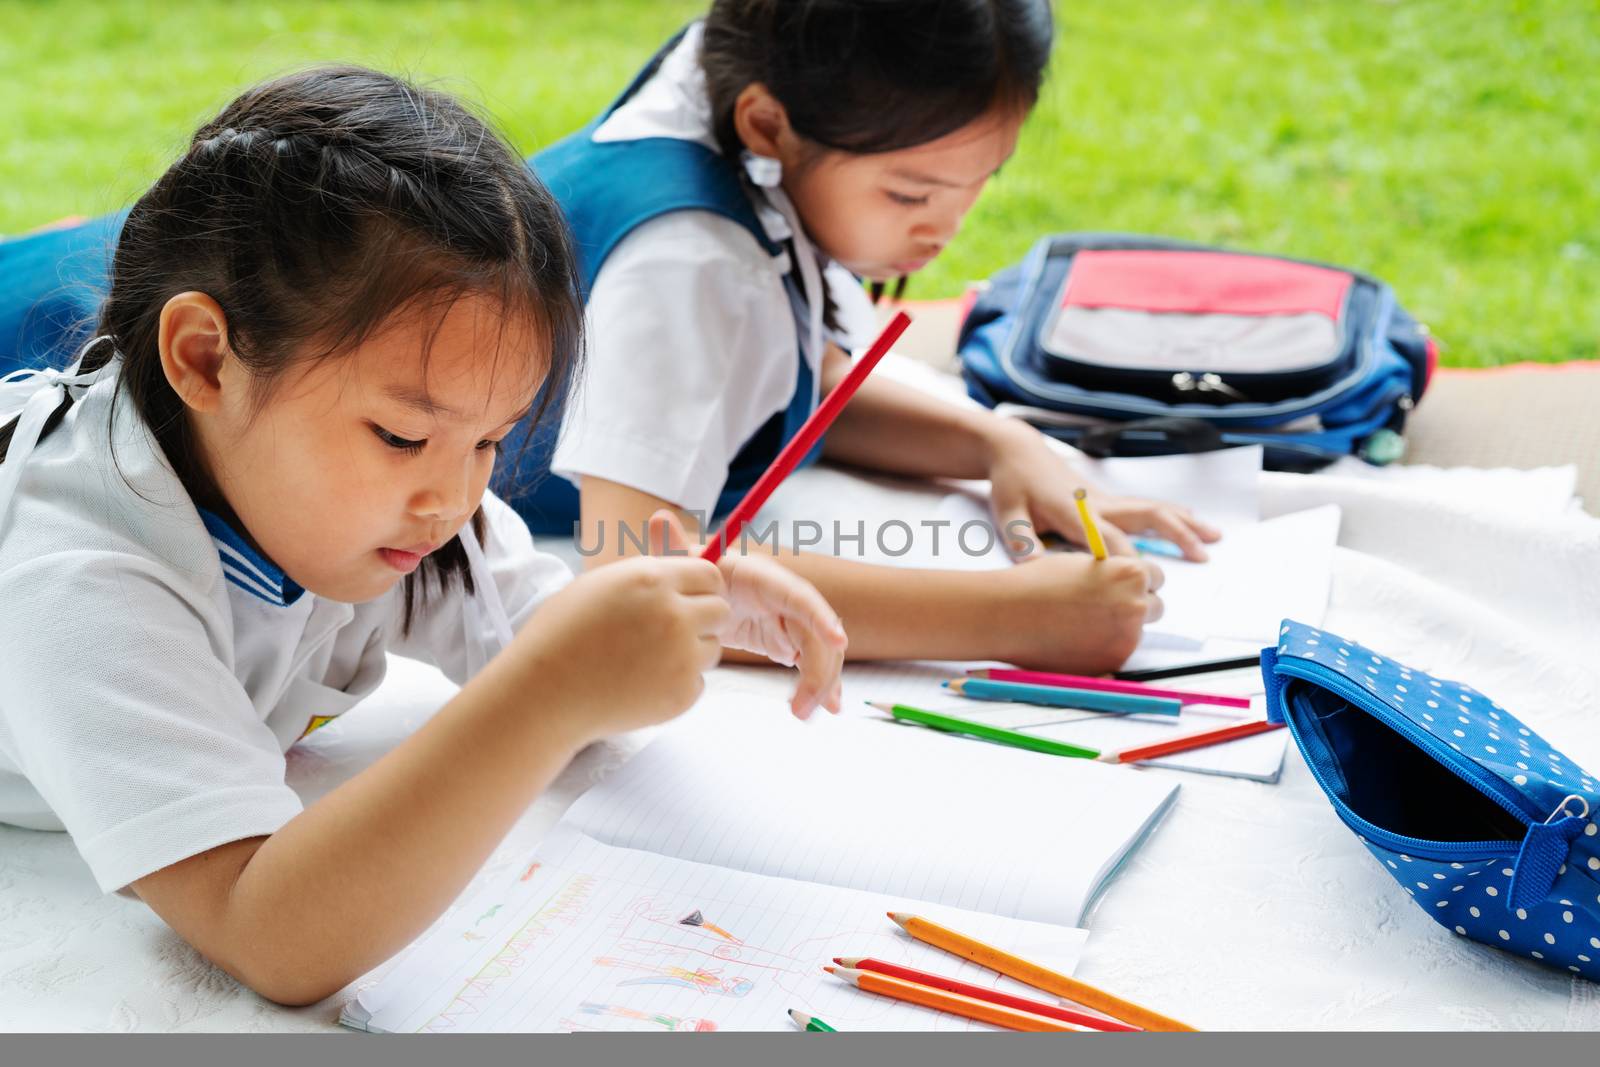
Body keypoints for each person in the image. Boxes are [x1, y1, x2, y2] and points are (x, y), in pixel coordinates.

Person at [0, 66, 845, 1006]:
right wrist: (551, 689)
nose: (453, 495)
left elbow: (542, 640)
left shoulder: (379, 494)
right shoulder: (73, 577)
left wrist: (685, 607)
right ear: (206, 361)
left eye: (488, 439)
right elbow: (265, 931)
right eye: (403, 435)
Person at [515, 0, 1213, 673]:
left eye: (980, 184)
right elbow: (640, 576)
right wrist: (1013, 614)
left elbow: (784, 379)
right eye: (910, 195)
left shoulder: (739, 76)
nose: (945, 231)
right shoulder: (695, 263)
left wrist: (998, 443)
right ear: (765, 125)